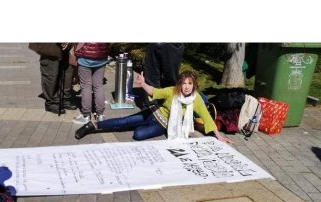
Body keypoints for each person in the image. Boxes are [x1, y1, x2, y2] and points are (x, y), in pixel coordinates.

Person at [75, 70, 233, 143]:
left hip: (163, 125)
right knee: (123, 122)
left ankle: (136, 126)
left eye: (189, 84)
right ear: (180, 84)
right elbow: (154, 92)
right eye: (184, 83)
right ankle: (93, 125)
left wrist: (218, 136)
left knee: (138, 135)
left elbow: (206, 116)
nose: (186, 87)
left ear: (194, 85)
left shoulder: (196, 99)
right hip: (152, 114)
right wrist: (143, 84)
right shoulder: (172, 91)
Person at [29, 43, 76, 114]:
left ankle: (63, 98)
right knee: (51, 74)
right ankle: (51, 102)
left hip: (68, 46)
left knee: (67, 71)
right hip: (50, 47)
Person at [72, 43, 109, 124]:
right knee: (99, 86)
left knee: (86, 86)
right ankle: (100, 115)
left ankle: (86, 115)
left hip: (84, 56)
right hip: (101, 56)